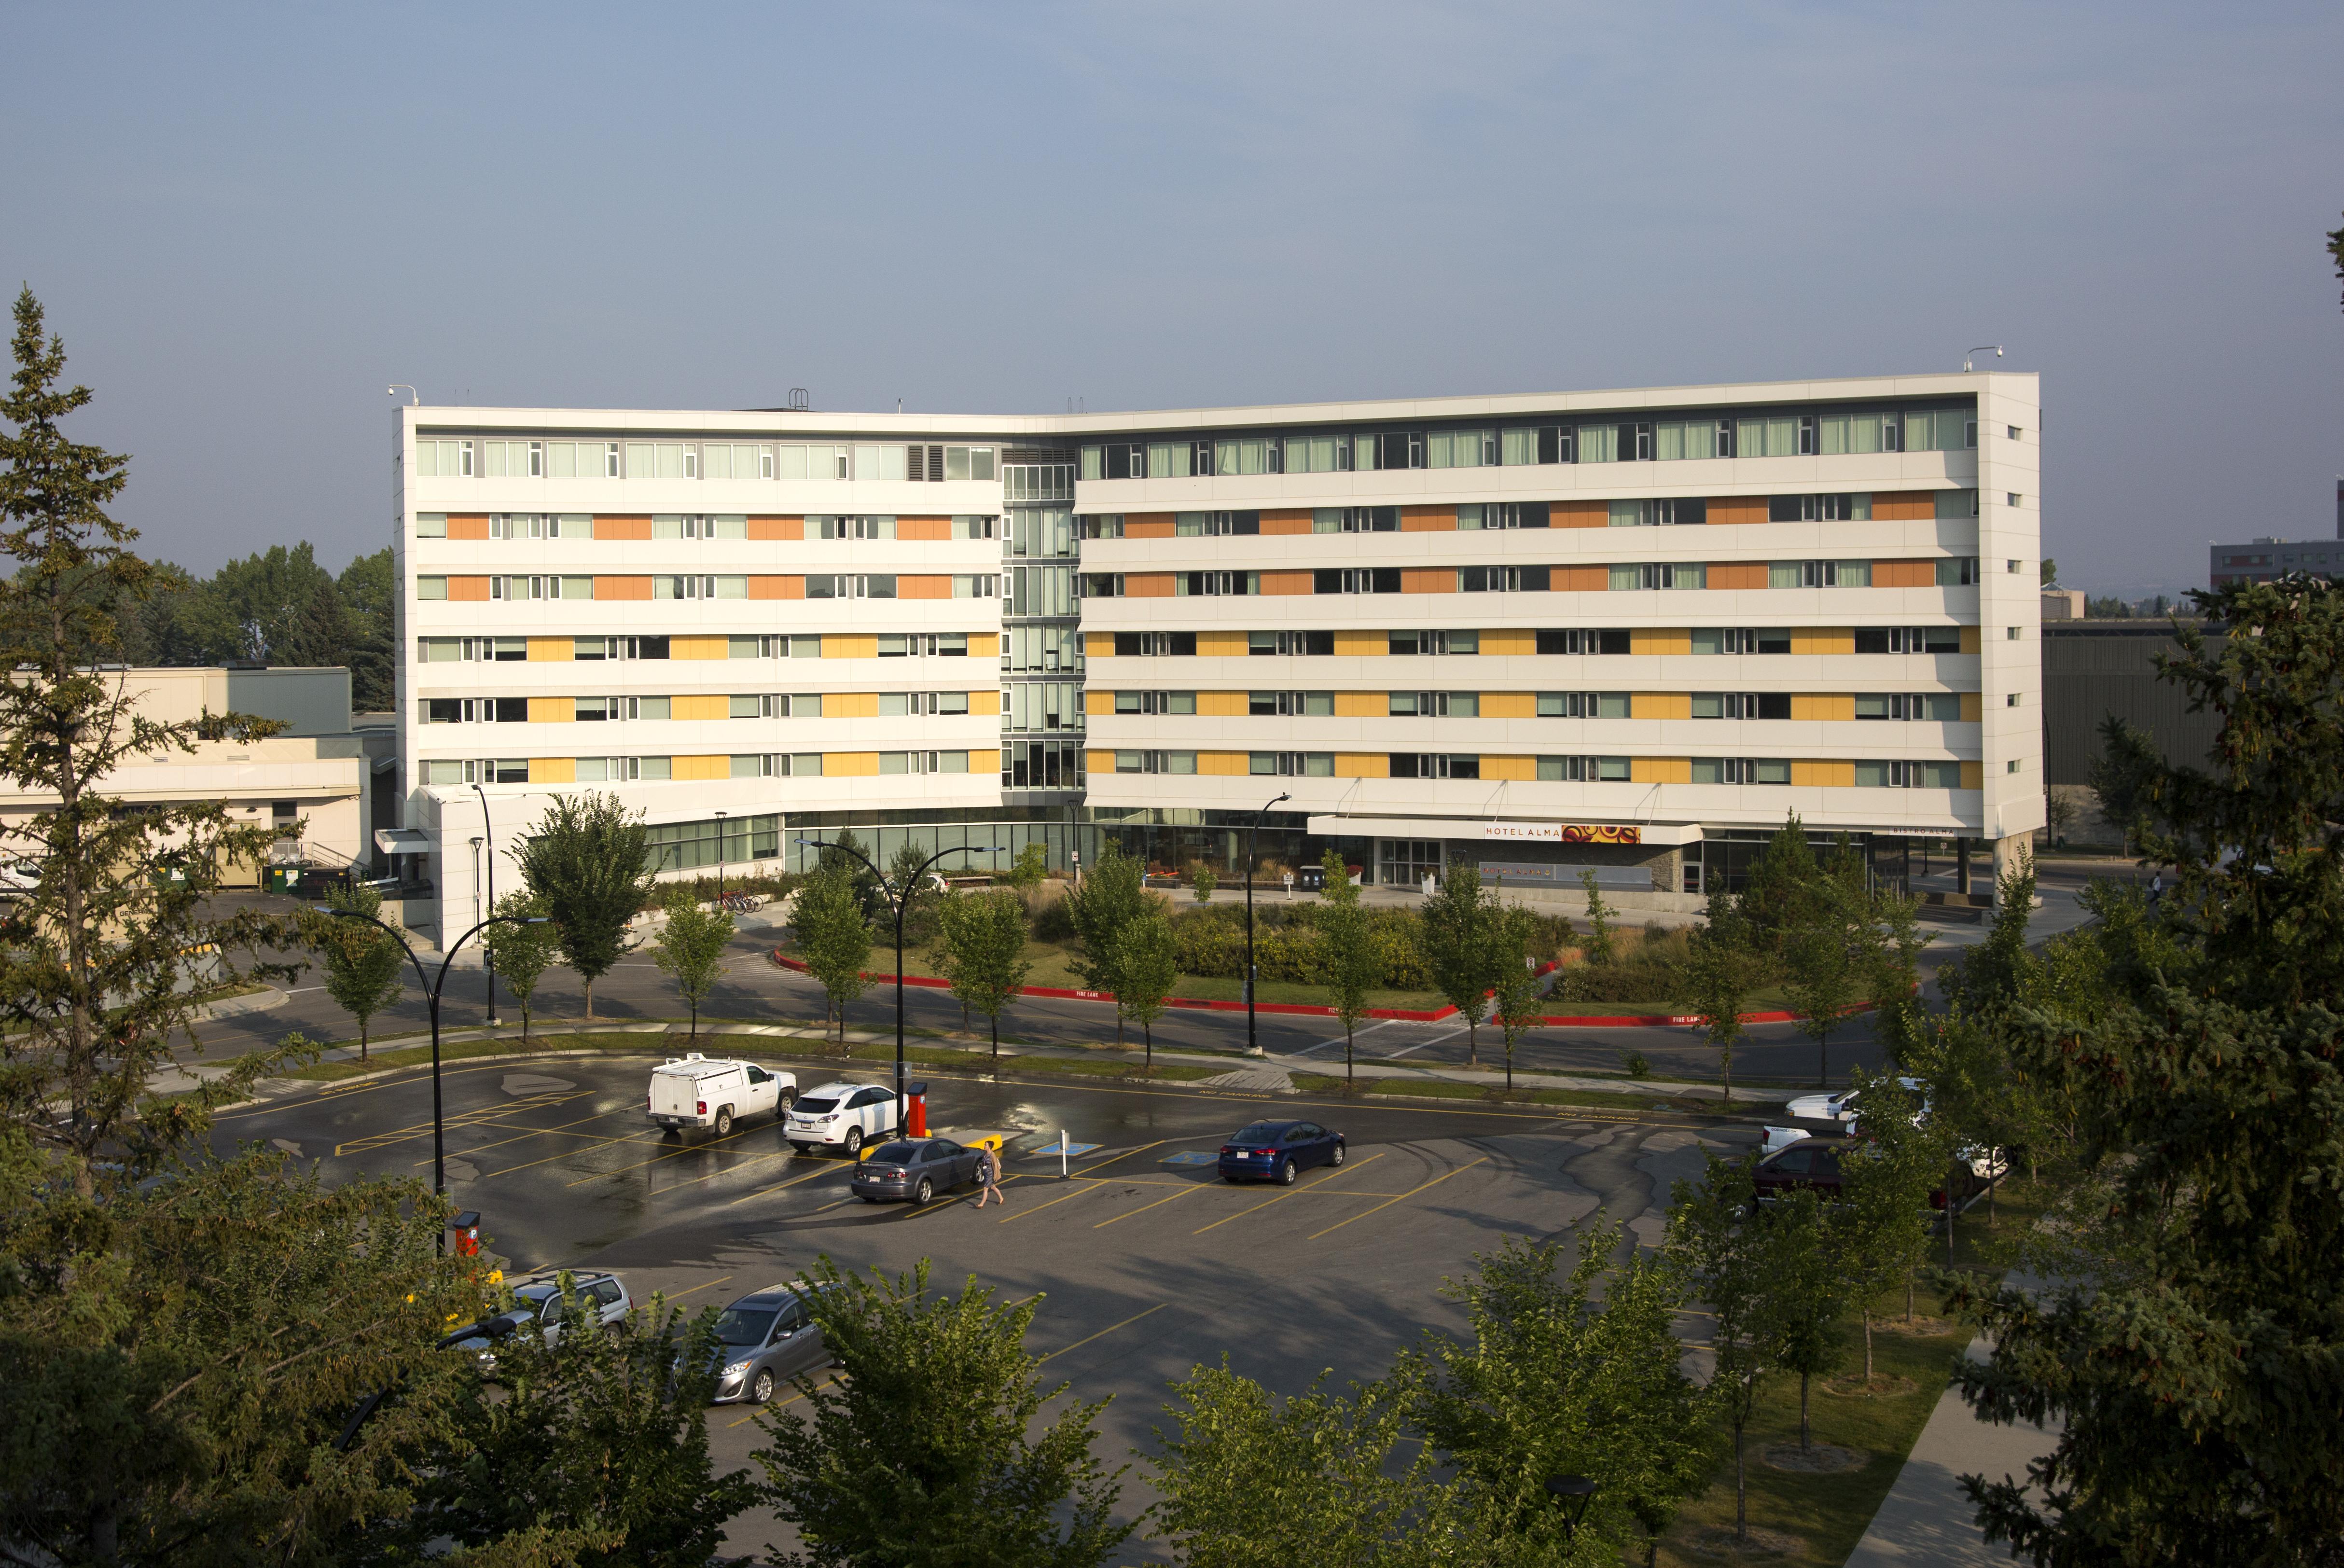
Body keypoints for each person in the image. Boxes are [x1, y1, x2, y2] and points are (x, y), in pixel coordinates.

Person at [974, 1140, 1004, 1207]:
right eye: (985, 1145)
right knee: (993, 1187)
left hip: (990, 1175)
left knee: (985, 1189)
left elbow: (996, 1165)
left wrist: (995, 1176)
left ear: (989, 1147)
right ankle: (1001, 1198)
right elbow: (984, 1164)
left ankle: (981, 1204)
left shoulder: (992, 1155)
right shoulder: (985, 1154)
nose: (984, 1146)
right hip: (986, 1174)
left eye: (986, 1145)